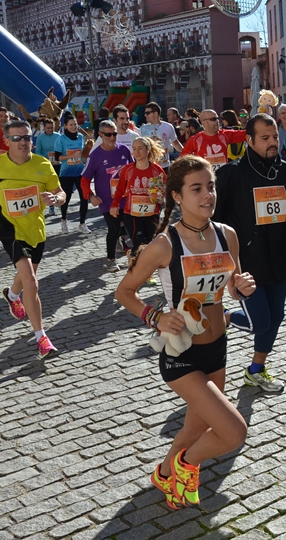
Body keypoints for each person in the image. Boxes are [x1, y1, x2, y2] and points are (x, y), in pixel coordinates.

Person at [115, 155, 251, 509]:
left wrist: (240, 285)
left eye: (211, 187)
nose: (207, 195)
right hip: (181, 353)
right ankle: (186, 463)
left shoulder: (228, 234)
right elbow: (124, 293)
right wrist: (154, 315)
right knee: (233, 431)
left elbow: (229, 286)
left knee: (194, 429)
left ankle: (163, 473)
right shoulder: (165, 245)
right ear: (177, 196)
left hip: (217, 347)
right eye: (197, 189)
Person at [214, 113, 286, 392]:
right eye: (265, 138)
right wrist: (229, 274)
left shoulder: (285, 171)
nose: (272, 143)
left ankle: (256, 369)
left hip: (279, 258)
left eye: (275, 138)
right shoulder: (230, 174)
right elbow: (215, 226)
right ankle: (227, 317)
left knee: (276, 318)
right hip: (247, 264)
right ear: (249, 140)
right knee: (261, 322)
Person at [0, 120, 65, 360]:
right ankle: (41, 337)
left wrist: (56, 200)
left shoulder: (43, 165)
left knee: (26, 276)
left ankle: (12, 295)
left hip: (35, 230)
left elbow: (60, 192)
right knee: (31, 281)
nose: (22, 142)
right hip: (9, 229)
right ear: (6, 141)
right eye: (16, 138)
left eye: (26, 138)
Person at [82, 119, 133, 272]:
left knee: (133, 228)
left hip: (126, 198)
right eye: (108, 135)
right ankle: (110, 260)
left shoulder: (123, 150)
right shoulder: (95, 155)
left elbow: (132, 170)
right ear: (100, 135)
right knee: (114, 229)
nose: (112, 138)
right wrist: (91, 196)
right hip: (107, 201)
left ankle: (136, 258)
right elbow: (84, 180)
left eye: (114, 134)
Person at [110, 137, 167, 260]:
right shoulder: (127, 170)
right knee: (139, 242)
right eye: (134, 149)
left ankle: (138, 261)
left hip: (152, 212)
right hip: (132, 213)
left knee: (151, 242)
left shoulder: (157, 170)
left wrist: (162, 195)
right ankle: (141, 270)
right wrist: (114, 205)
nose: (137, 152)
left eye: (140, 148)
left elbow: (165, 188)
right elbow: (119, 190)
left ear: (148, 150)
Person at [55, 115, 90, 234]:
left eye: (75, 124)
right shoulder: (61, 139)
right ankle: (64, 220)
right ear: (65, 126)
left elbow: (84, 153)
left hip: (80, 172)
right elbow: (57, 157)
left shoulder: (80, 137)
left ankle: (82, 223)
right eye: (71, 125)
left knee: (84, 197)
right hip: (66, 173)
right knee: (67, 198)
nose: (74, 127)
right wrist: (71, 156)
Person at [180, 109, 247, 168]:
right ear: (204, 123)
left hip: (223, 177)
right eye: (213, 119)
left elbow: (248, 134)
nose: (217, 121)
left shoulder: (225, 135)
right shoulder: (195, 139)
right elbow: (182, 160)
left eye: (218, 118)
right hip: (205, 178)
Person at [140, 102, 181, 167]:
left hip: (165, 166)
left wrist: (186, 152)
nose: (145, 115)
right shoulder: (143, 129)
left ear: (155, 114)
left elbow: (175, 143)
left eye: (148, 113)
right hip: (150, 166)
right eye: (145, 113)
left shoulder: (168, 126)